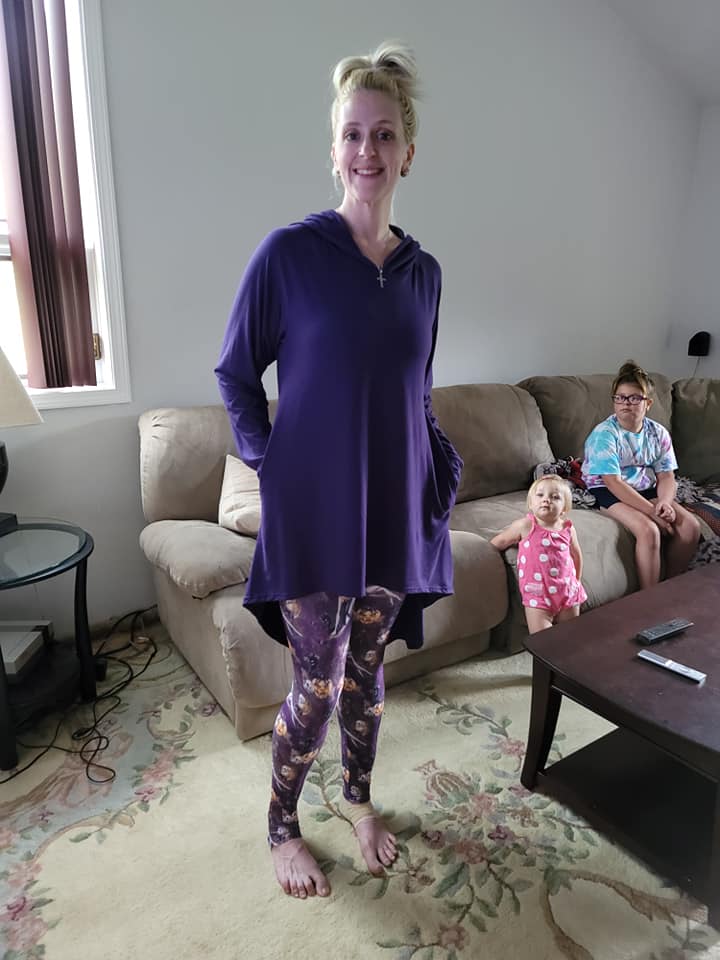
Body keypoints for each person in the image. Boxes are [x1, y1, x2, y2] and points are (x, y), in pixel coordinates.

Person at [214, 42, 462, 901]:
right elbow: (235, 374)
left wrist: (438, 469)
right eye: (353, 134)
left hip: (395, 507)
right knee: (315, 689)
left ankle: (357, 799)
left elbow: (415, 391)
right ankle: (282, 826)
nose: (368, 150)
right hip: (315, 514)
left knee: (367, 676)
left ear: (408, 152)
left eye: (384, 134)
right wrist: (271, 463)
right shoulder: (288, 254)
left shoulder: (425, 275)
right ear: (333, 149)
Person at [582, 360, 701, 589]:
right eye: (620, 397)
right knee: (649, 530)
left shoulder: (658, 433)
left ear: (648, 403)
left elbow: (666, 476)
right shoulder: (604, 435)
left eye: (635, 398)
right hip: (608, 489)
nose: (626, 403)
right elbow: (613, 482)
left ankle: (669, 584)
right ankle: (650, 595)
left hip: (645, 485)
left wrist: (664, 503)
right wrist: (651, 512)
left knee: (690, 527)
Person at [491, 476, 586, 633]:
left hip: (568, 591)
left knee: (570, 636)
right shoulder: (525, 525)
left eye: (555, 497)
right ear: (530, 503)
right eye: (540, 495)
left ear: (564, 508)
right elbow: (500, 541)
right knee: (542, 639)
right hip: (538, 594)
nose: (546, 500)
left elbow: (576, 555)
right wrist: (485, 554)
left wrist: (577, 581)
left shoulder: (568, 528)